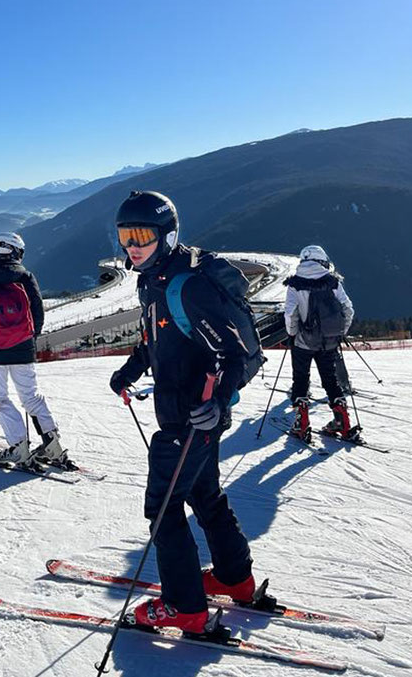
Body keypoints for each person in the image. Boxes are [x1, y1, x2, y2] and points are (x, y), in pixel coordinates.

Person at [108, 190, 255, 635]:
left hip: (191, 421)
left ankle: (184, 607)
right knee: (205, 496)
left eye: (141, 236)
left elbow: (237, 352)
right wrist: (128, 370)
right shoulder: (153, 278)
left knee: (163, 509)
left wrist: (216, 402)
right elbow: (157, 339)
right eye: (125, 236)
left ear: (167, 235)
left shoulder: (185, 285)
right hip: (190, 418)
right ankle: (235, 579)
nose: (132, 246)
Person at [0, 232, 66, 466]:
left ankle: (19, 446)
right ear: (16, 251)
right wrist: (28, 338)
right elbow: (37, 313)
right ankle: (51, 443)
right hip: (23, 348)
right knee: (31, 396)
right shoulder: (25, 275)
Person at [283, 245, 356, 440]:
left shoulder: (294, 284)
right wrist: (340, 332)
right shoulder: (333, 282)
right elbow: (348, 309)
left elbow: (290, 314)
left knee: (300, 379)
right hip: (329, 341)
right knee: (331, 380)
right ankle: (343, 421)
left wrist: (292, 335)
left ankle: (302, 422)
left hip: (303, 342)